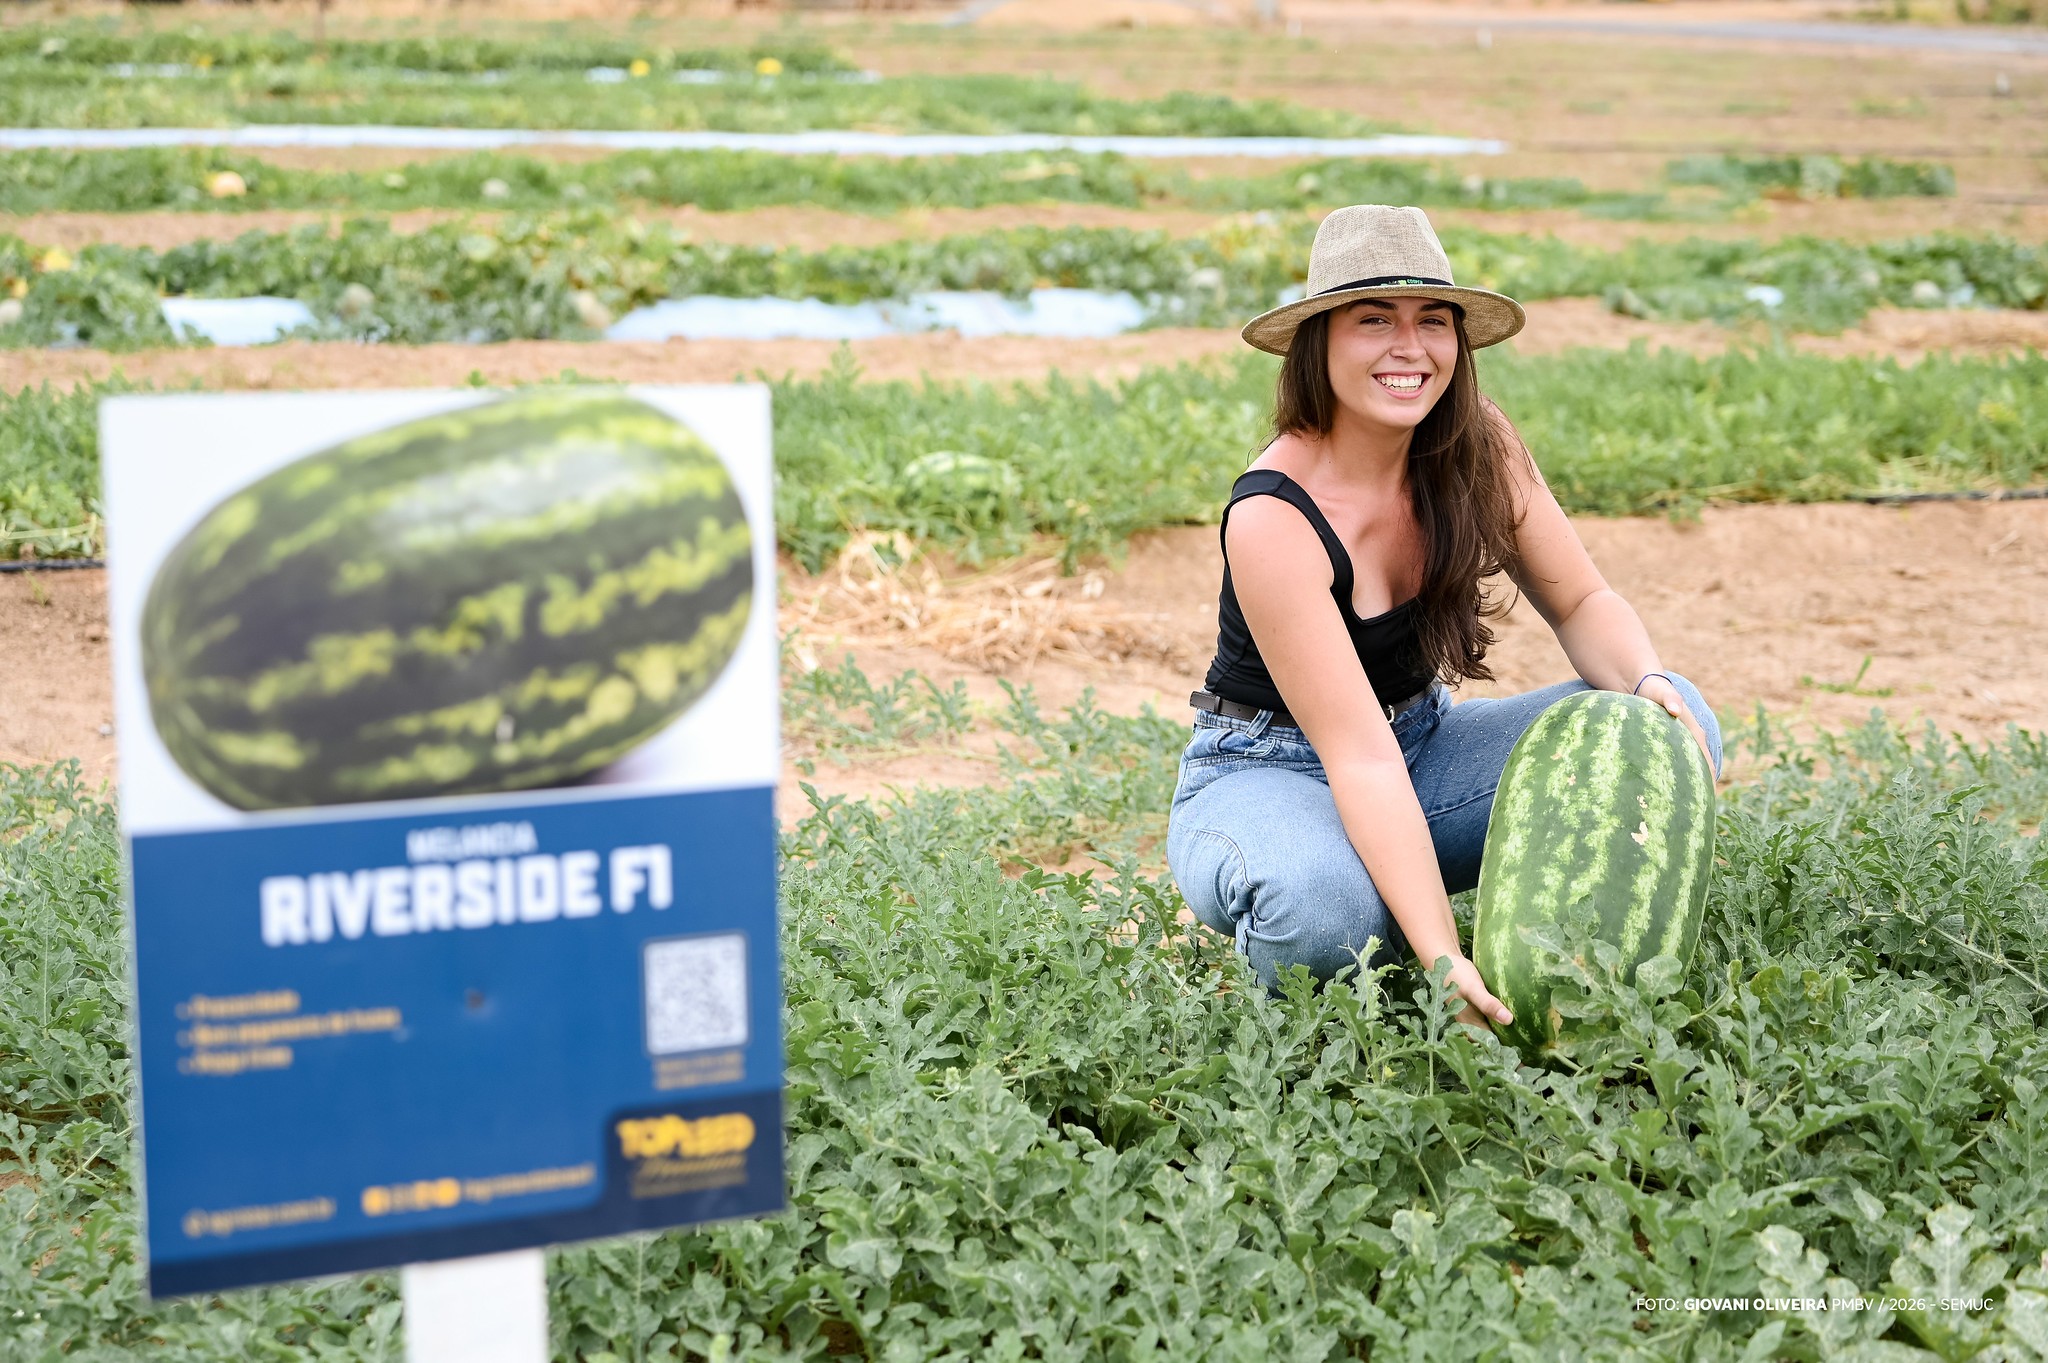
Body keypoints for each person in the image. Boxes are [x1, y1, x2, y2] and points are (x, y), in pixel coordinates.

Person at [1164, 204, 1722, 1034]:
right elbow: (1357, 756)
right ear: (1319, 342)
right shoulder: (1274, 516)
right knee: (1322, 910)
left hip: (1420, 748)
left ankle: (1563, 981)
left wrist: (1643, 678)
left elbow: (1582, 602)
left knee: (1669, 720)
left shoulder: (1477, 444)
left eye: (1433, 319)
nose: (1410, 347)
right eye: (1374, 319)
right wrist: (1441, 956)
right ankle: (1354, 924)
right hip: (1267, 770)